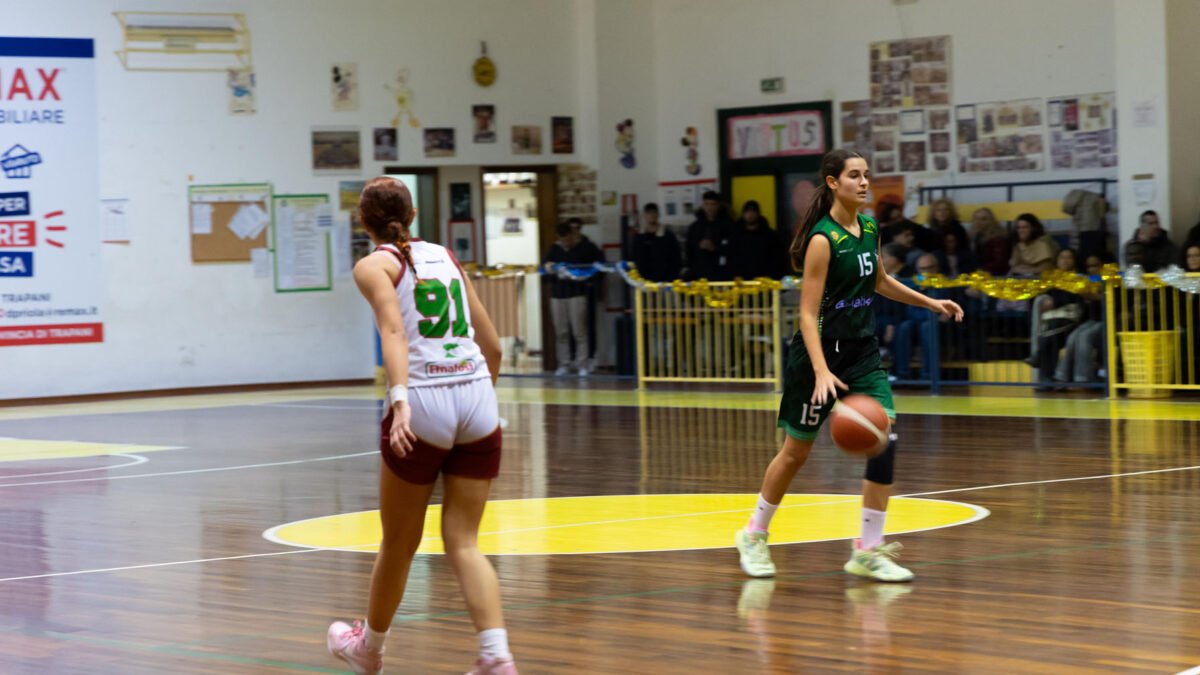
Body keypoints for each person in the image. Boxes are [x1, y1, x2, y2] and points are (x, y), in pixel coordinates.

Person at [735, 150, 963, 583]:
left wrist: (930, 301)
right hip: (817, 356)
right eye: (854, 176)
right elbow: (806, 315)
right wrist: (821, 371)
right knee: (795, 453)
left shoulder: (870, 227)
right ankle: (754, 533)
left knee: (885, 439)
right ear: (832, 183)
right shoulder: (823, 240)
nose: (864, 183)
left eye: (866, 175)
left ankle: (868, 549)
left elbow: (879, 281)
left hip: (861, 353)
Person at [327, 177, 517, 675]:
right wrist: (477, 396)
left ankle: (369, 648)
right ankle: (496, 656)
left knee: (399, 542)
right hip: (477, 396)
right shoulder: (447, 258)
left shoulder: (373, 265)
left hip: (424, 400)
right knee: (464, 541)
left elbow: (393, 330)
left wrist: (401, 399)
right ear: (412, 216)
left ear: (364, 223)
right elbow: (492, 344)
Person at [543, 221, 603, 377]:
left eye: (567, 238)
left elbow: (595, 267)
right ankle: (564, 364)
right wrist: (548, 268)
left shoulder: (583, 248)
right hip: (557, 295)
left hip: (577, 294)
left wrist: (586, 278)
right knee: (561, 332)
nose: (565, 241)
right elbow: (544, 269)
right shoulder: (554, 250)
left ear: (572, 235)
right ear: (558, 237)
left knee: (580, 332)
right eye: (561, 239)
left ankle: (582, 364)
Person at [1033, 249, 1085, 389]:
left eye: (1069, 258)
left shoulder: (1079, 278)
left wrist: (1054, 301)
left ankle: (1043, 371)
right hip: (1054, 322)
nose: (1065, 261)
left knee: (1047, 337)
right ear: (1057, 261)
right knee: (1051, 339)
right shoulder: (1052, 279)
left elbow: (1074, 299)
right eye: (1062, 257)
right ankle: (1048, 379)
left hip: (1073, 320)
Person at [729, 200, 789, 280]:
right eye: (747, 212)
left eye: (753, 211)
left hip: (764, 282)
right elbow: (732, 258)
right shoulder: (736, 235)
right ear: (743, 214)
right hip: (742, 283)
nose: (750, 215)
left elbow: (777, 258)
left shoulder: (770, 236)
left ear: (758, 214)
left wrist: (771, 275)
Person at [684, 191, 734, 281]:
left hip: (722, 275)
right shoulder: (695, 227)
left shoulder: (728, 225)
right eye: (707, 204)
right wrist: (699, 246)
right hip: (699, 275)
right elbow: (689, 250)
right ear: (703, 206)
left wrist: (715, 248)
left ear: (718, 205)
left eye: (713, 204)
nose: (710, 208)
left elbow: (734, 249)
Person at [630, 203, 682, 282]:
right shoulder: (639, 237)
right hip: (643, 283)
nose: (651, 215)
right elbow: (633, 258)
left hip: (665, 282)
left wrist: (672, 277)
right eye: (649, 213)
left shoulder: (668, 236)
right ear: (645, 215)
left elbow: (676, 258)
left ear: (658, 214)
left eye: (654, 212)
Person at [968, 207, 1010, 276]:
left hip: (996, 276)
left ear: (990, 221)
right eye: (976, 219)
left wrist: (980, 270)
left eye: (983, 219)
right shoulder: (974, 237)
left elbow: (999, 262)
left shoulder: (997, 238)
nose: (978, 222)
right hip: (980, 275)